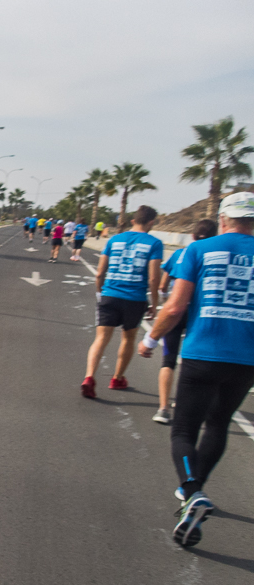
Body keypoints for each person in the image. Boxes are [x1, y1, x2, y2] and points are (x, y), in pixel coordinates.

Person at [137, 193, 254, 547]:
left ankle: (192, 491)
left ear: (222, 220)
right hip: (246, 359)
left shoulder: (198, 250)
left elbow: (175, 306)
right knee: (218, 423)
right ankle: (194, 494)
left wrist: (151, 341)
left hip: (204, 352)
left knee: (184, 430)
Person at [80, 205, 162, 397]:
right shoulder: (154, 243)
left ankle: (89, 377)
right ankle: (117, 378)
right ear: (151, 222)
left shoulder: (114, 239)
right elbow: (153, 278)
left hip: (110, 294)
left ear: (133, 220)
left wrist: (101, 292)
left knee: (100, 338)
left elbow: (100, 272)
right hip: (134, 299)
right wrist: (154, 304)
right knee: (128, 338)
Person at [151, 219, 218, 424]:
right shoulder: (213, 255)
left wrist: (165, 300)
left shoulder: (180, 254)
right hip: (200, 314)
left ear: (192, 236)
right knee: (192, 359)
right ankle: (182, 402)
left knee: (168, 359)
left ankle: (163, 408)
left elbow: (163, 285)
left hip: (176, 310)